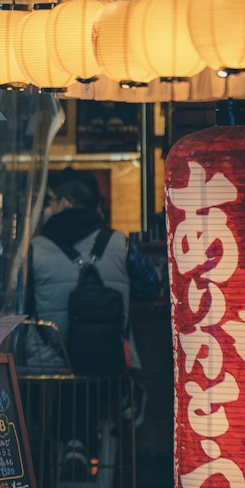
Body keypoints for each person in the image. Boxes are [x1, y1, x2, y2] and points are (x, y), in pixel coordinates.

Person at [26, 178, 161, 471]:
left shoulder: (35, 249)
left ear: (63, 203)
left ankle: (68, 451)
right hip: (110, 359)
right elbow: (152, 286)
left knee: (68, 374)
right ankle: (124, 398)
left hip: (48, 364)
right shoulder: (120, 242)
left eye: (50, 203)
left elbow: (21, 306)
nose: (48, 209)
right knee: (93, 370)